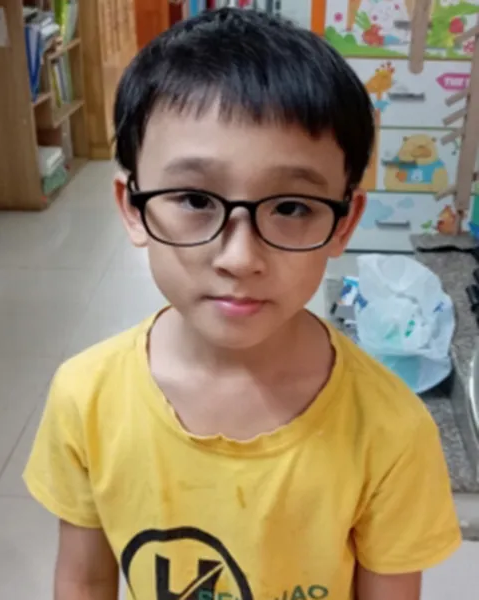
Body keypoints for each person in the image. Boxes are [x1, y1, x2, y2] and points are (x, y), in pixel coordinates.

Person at [24, 8, 461, 600]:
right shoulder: (86, 399)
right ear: (132, 207)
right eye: (194, 199)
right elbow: (83, 578)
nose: (239, 257)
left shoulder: (392, 432)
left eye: (291, 207)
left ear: (343, 223)